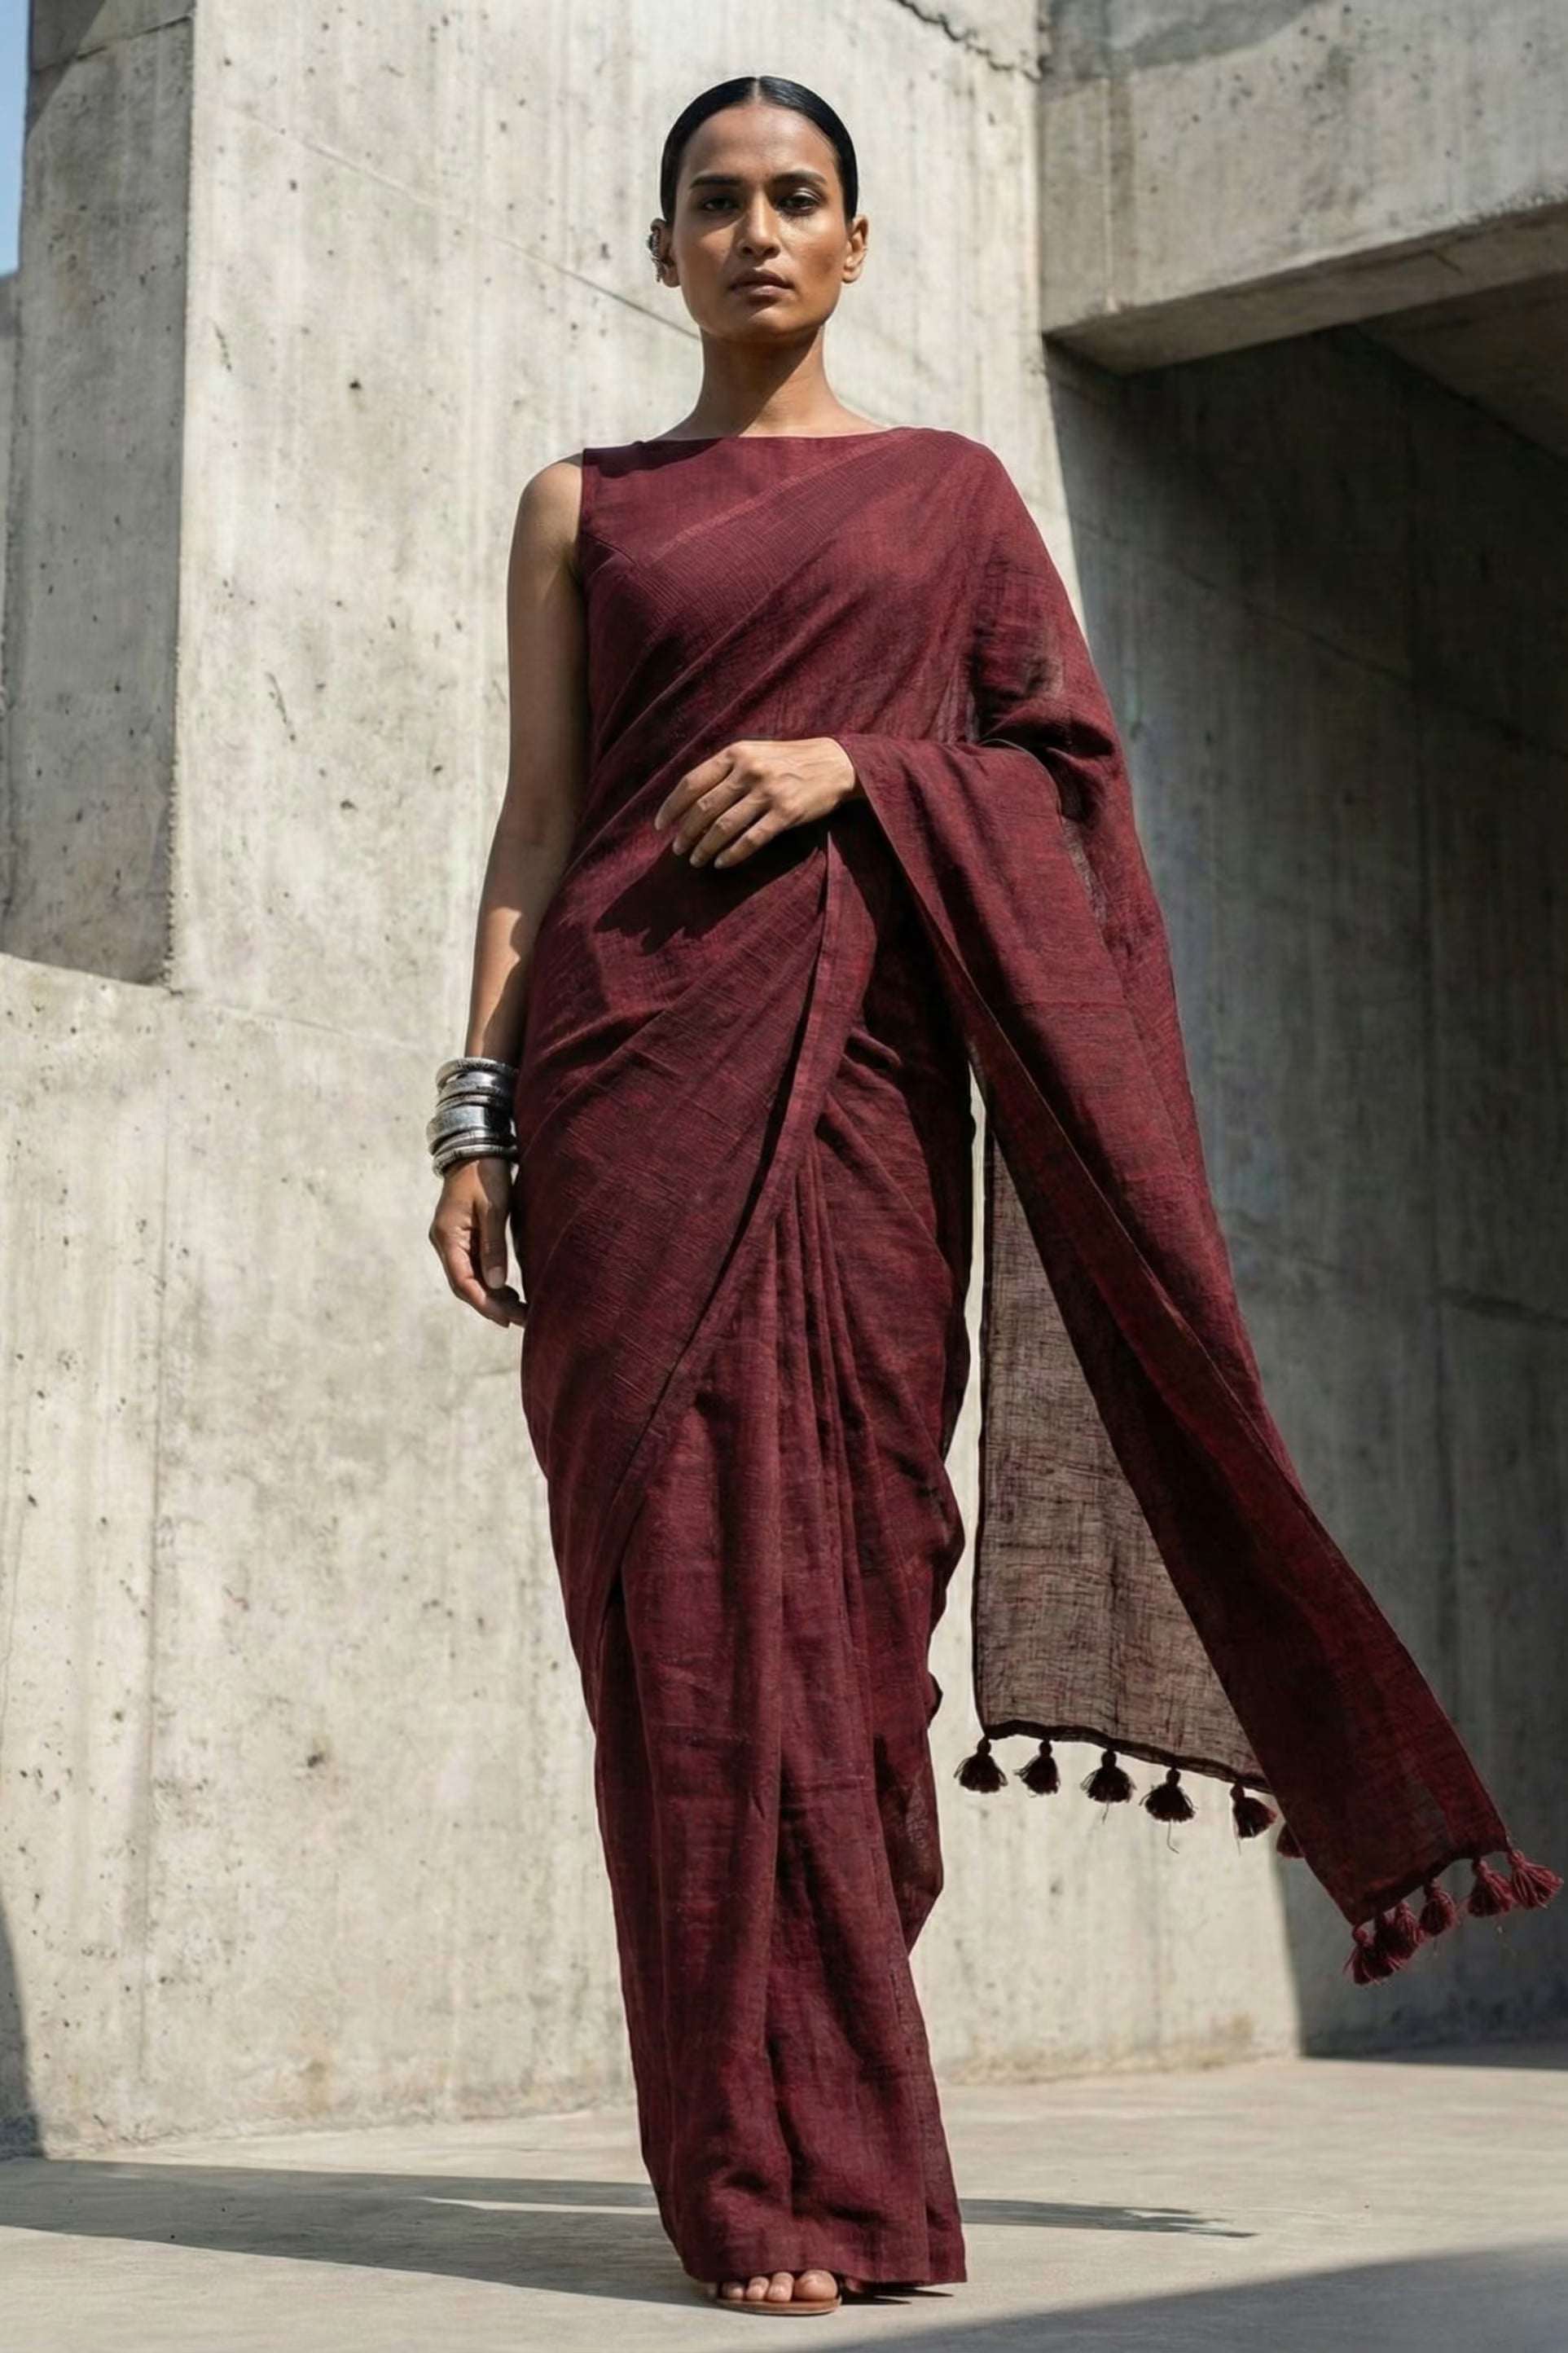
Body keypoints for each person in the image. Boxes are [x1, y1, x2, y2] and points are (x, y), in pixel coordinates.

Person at [428, 73, 1560, 2319]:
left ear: (857, 244)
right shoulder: (584, 503)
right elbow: (539, 827)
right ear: (661, 249)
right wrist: (475, 1110)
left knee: (841, 1638)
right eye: (714, 205)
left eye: (797, 201)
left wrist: (862, 766)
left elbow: (1063, 782)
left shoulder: (951, 505)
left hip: (854, 1109)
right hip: (629, 1093)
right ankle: (760, 2191)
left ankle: (837, 2148)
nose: (755, 234)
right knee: (675, 1653)